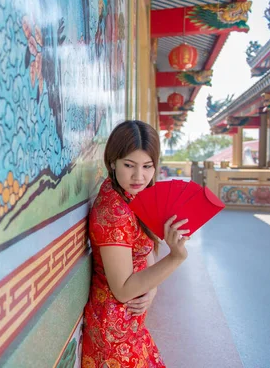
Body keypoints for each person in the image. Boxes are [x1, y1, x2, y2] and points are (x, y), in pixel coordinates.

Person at [81, 120, 190, 368]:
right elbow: (123, 290)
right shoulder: (114, 213)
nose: (138, 176)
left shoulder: (127, 195)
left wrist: (151, 291)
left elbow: (144, 252)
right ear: (112, 162)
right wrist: (176, 257)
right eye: (129, 165)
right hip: (115, 330)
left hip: (129, 320)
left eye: (147, 166)